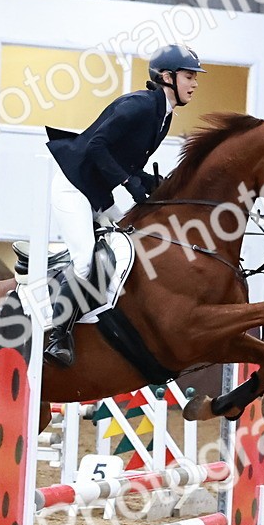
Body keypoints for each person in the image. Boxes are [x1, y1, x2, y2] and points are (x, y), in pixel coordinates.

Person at [42, 44, 204, 366]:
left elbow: (124, 160)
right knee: (84, 261)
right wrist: (130, 183)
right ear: (167, 77)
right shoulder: (139, 106)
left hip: (98, 194)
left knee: (132, 240)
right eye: (189, 77)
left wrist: (148, 181)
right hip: (73, 187)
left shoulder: (162, 116)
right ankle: (57, 337)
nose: (195, 84)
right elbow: (97, 146)